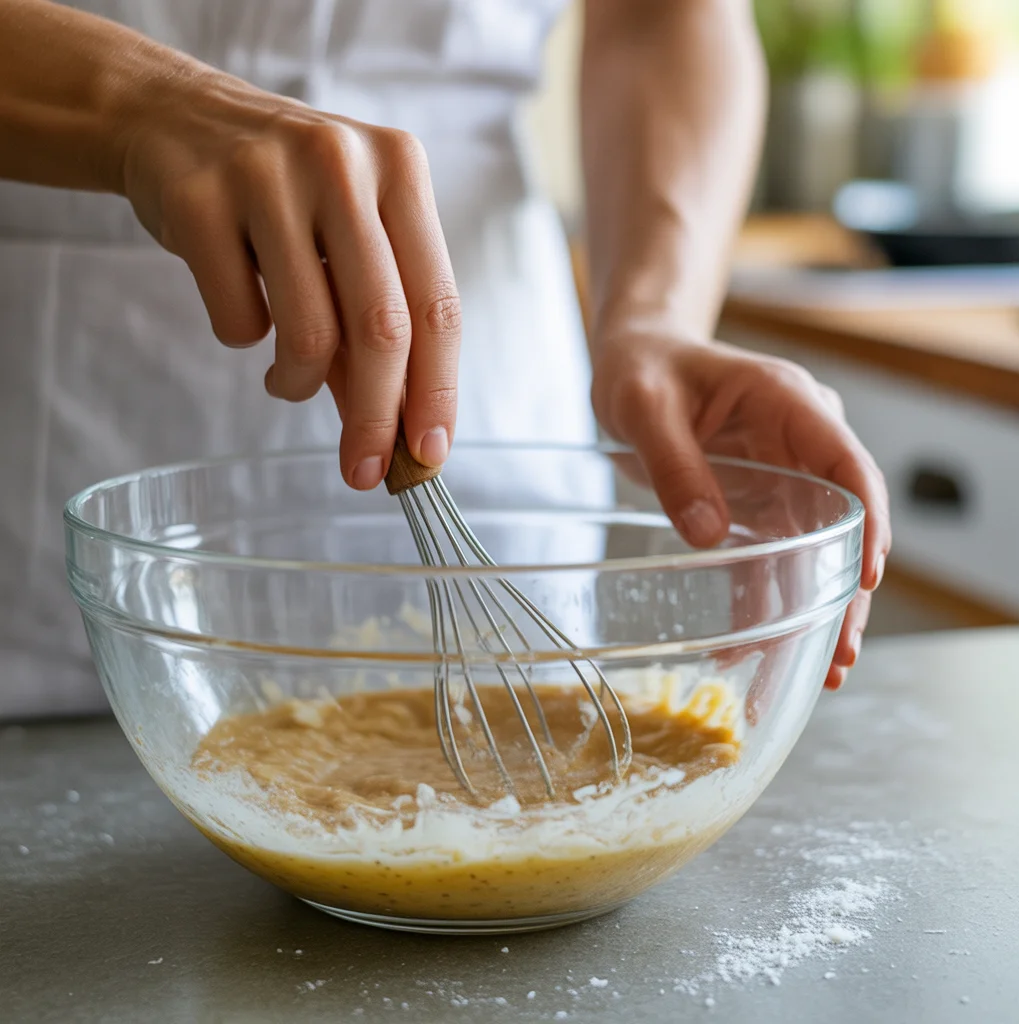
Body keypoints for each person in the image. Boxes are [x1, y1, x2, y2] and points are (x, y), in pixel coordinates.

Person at [0, 0, 890, 720]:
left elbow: (662, 18)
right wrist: (141, 107)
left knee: (529, 722)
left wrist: (654, 320)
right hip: (65, 415)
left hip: (492, 391)